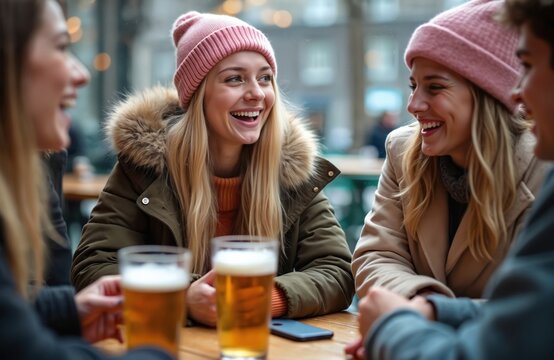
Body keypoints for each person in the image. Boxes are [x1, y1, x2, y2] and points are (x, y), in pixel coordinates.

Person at [71, 11, 354, 326]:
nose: (257, 93)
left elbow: (337, 273)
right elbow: (93, 269)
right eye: (234, 78)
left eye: (264, 78)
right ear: (197, 94)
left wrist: (259, 299)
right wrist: (185, 298)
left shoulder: (291, 171)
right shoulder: (146, 167)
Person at [346, 0, 554, 358]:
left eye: (435, 87)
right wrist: (424, 304)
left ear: (488, 94)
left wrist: (403, 322)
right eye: (413, 85)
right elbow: (375, 254)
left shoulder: (543, 166)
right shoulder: (402, 150)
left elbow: (527, 318)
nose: (413, 104)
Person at [0, 0, 172, 358]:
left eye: (266, 78)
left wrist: (63, 309)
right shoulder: (141, 163)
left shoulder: (291, 169)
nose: (81, 73)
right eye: (62, 47)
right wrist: (160, 348)